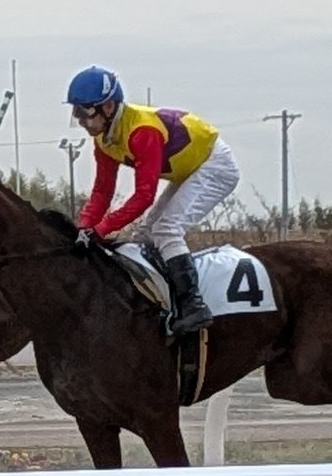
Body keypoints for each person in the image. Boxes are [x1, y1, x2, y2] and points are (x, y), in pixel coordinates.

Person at [65, 66, 243, 336]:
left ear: (109, 107)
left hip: (213, 165)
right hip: (188, 168)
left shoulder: (142, 132)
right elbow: (102, 191)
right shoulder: (104, 139)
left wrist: (101, 230)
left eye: (85, 113)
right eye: (77, 113)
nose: (82, 122)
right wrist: (83, 228)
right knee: (147, 234)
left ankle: (193, 306)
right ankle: (163, 303)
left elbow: (144, 196)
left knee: (167, 229)